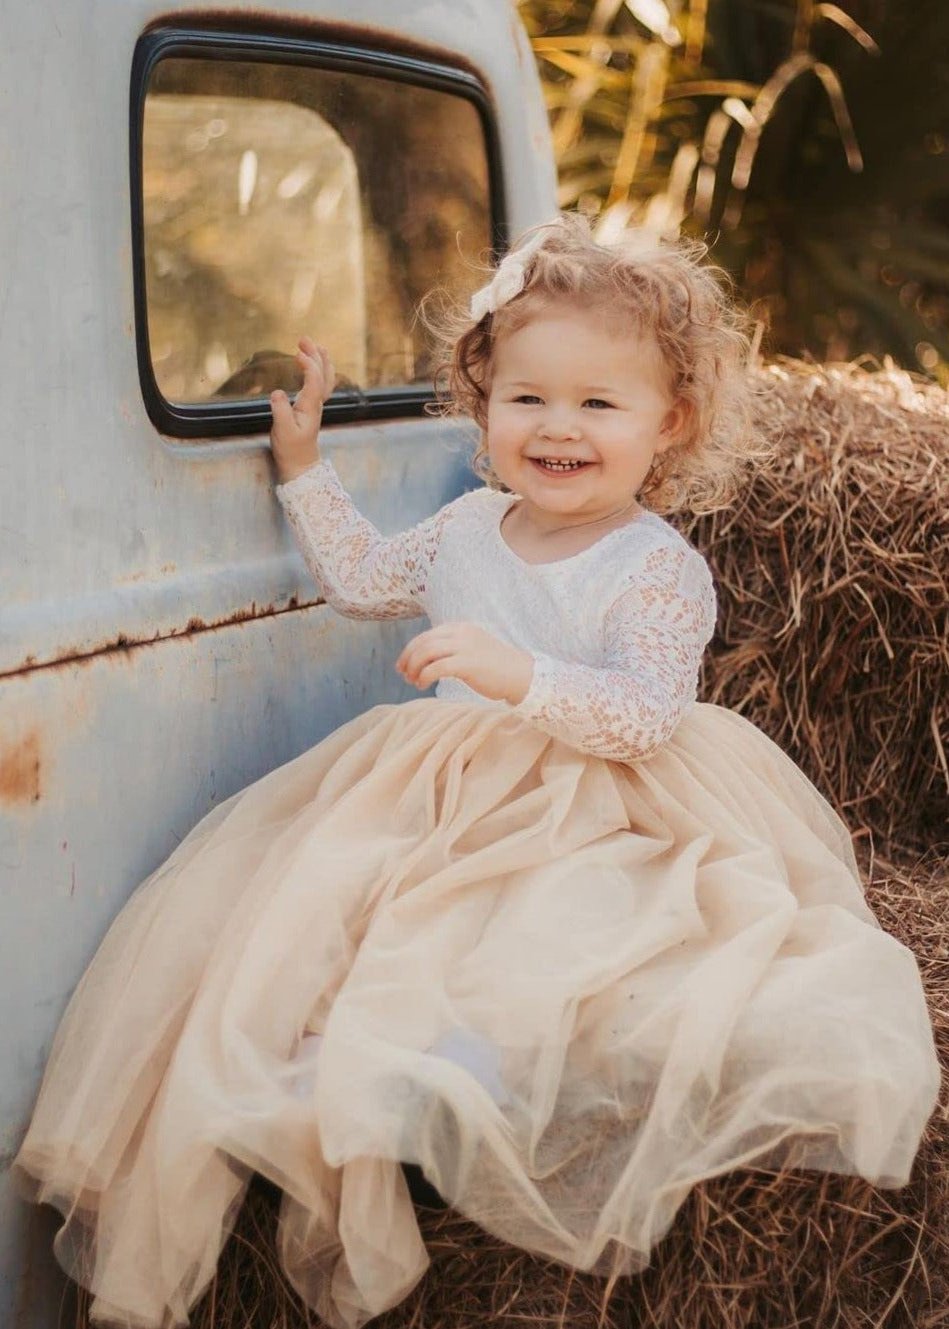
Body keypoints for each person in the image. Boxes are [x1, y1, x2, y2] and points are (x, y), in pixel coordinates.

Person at [13, 215, 940, 1329]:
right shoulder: (463, 529)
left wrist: (515, 671)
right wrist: (306, 469)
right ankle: (356, 1070)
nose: (559, 429)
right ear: (483, 404)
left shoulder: (653, 568)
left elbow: (645, 716)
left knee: (553, 936)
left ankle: (476, 1079)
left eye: (600, 405)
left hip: (593, 797)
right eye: (528, 399)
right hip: (437, 783)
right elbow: (360, 579)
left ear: (670, 423)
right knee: (343, 912)